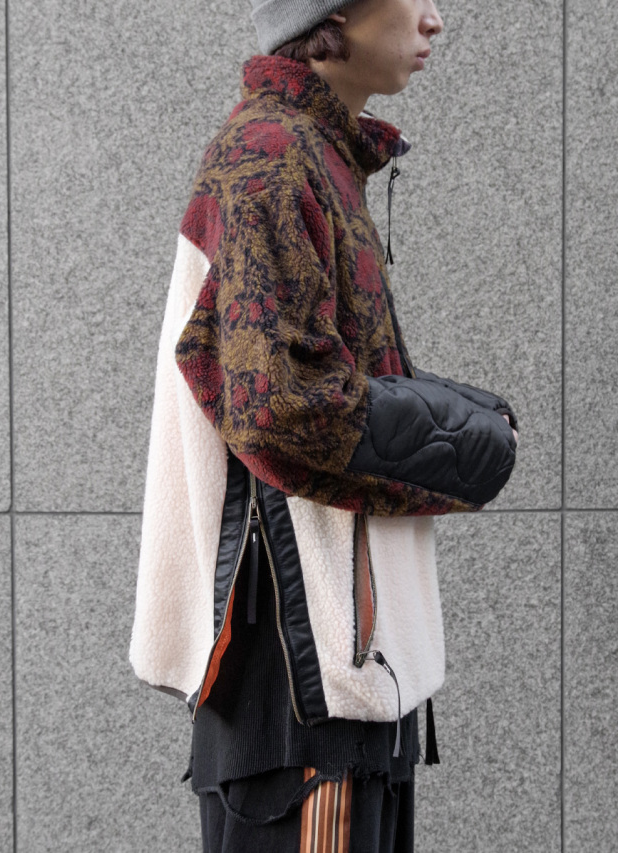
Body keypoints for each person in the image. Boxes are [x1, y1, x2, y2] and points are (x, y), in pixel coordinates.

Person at [129, 0, 519, 850]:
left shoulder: (310, 152)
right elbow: (286, 404)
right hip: (305, 680)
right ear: (335, 13)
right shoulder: (271, 157)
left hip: (339, 679)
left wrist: (470, 420)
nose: (435, 19)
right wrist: (477, 441)